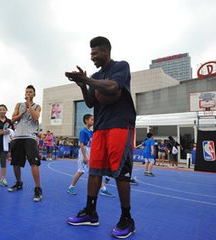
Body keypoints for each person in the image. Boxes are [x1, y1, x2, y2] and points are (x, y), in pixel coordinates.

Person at [65, 36, 136, 238]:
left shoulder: (121, 66)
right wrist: (81, 84)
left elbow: (113, 88)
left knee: (121, 172)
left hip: (120, 125)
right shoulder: (95, 75)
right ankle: (90, 212)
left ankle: (126, 218)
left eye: (95, 53)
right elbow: (89, 103)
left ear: (106, 51)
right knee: (94, 171)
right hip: (101, 127)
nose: (92, 57)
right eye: (91, 54)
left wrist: (87, 80)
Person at [8, 85, 43, 202]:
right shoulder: (19, 105)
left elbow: (35, 118)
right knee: (15, 163)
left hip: (30, 137)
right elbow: (12, 119)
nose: (28, 93)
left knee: (34, 163)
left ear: (34, 94)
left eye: (30, 92)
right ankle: (18, 183)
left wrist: (29, 106)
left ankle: (38, 188)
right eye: (27, 92)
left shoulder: (37, 106)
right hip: (18, 136)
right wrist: (21, 113)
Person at [67, 114, 115, 197]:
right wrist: (85, 156)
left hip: (90, 151)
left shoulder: (91, 132)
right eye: (91, 119)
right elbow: (82, 144)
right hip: (84, 151)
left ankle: (103, 189)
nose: (93, 121)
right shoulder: (83, 131)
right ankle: (71, 186)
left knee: (95, 171)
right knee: (81, 171)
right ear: (86, 120)